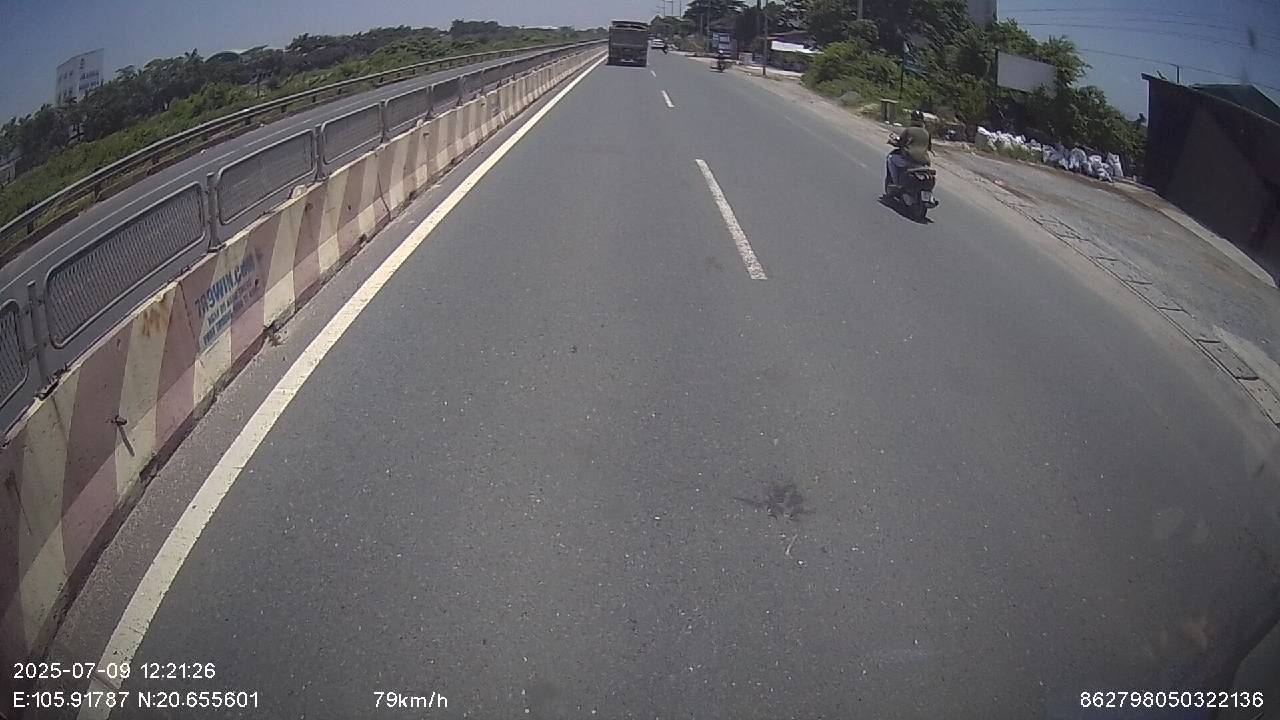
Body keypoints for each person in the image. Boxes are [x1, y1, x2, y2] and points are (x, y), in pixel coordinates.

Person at [887, 110, 932, 188]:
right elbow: (929, 147)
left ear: (912, 120)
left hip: (910, 160)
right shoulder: (927, 133)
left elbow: (900, 143)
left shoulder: (909, 130)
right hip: (924, 162)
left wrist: (891, 142)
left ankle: (896, 183)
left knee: (891, 158)